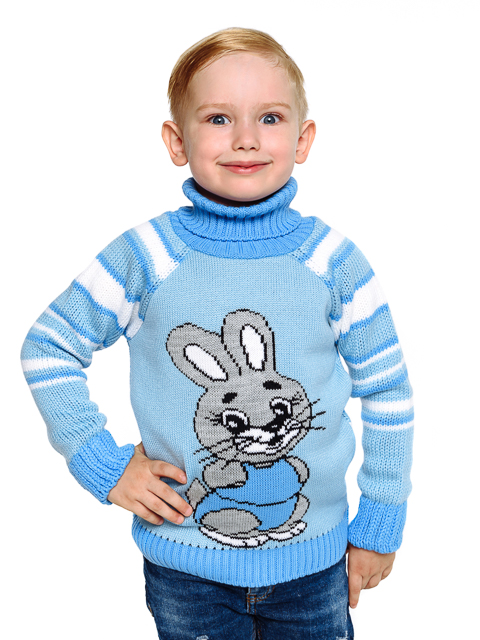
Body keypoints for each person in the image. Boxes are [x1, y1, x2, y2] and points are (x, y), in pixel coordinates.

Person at [21, 27, 414, 639]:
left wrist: (381, 521)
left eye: (270, 117)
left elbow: (387, 393)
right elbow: (49, 348)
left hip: (316, 565)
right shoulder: (148, 255)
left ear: (303, 139)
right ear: (177, 142)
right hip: (186, 573)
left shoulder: (334, 262)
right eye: (219, 118)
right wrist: (102, 464)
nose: (246, 139)